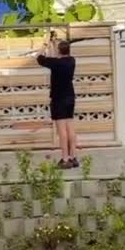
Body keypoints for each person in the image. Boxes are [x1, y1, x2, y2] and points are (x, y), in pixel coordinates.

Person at [36, 34, 78, 169]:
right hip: (70, 98)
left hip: (59, 99)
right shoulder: (72, 61)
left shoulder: (56, 64)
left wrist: (44, 45)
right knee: (70, 128)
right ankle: (73, 157)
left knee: (62, 131)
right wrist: (54, 44)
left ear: (59, 51)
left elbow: (38, 57)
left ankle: (65, 159)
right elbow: (57, 57)